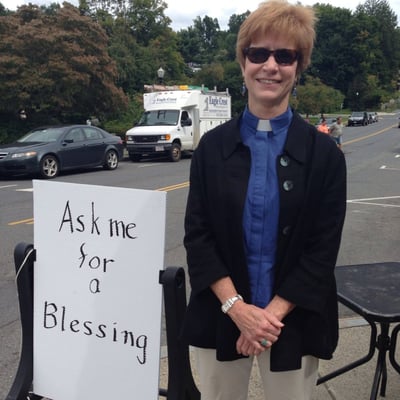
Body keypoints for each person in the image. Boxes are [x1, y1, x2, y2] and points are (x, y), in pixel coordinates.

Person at [182, 1, 347, 400]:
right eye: (259, 53)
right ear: (243, 62)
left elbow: (321, 252)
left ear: (298, 67)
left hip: (293, 318)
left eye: (284, 56)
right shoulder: (212, 148)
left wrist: (266, 320)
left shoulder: (324, 155)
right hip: (222, 313)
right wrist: (238, 311)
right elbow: (198, 237)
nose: (270, 66)